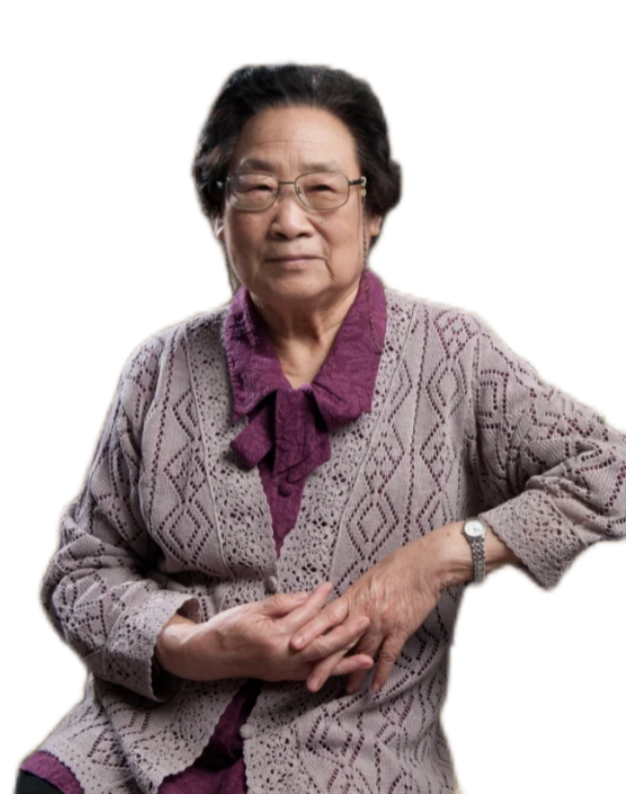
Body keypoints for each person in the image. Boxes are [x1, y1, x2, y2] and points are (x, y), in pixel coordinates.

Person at [13, 59, 625, 795]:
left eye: (323, 189)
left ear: (374, 213)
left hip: (358, 754)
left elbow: (613, 473)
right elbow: (79, 573)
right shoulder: (160, 366)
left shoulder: (455, 354)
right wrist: (192, 643)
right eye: (257, 188)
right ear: (217, 213)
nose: (289, 220)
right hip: (138, 744)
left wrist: (442, 554)